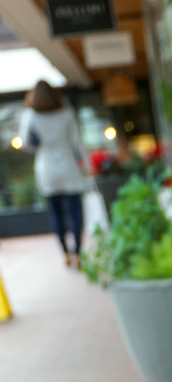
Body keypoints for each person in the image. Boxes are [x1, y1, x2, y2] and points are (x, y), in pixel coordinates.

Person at [20, 81, 88, 267]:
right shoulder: (66, 113)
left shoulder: (30, 115)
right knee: (75, 212)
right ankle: (78, 252)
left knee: (56, 213)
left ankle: (65, 253)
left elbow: (25, 143)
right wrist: (88, 166)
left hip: (46, 169)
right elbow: (77, 143)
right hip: (68, 167)